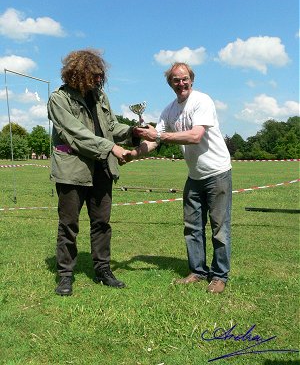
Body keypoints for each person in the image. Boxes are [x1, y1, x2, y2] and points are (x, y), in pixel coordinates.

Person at [129, 62, 232, 294]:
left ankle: (219, 275)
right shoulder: (168, 110)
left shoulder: (202, 101)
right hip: (194, 177)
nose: (181, 83)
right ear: (170, 84)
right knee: (192, 227)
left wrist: (160, 135)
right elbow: (155, 141)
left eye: (184, 79)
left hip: (217, 173)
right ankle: (197, 271)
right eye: (176, 80)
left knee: (219, 228)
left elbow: (195, 136)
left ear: (192, 80)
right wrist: (131, 154)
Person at [47, 48, 140, 296]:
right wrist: (111, 147)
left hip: (102, 169)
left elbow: (110, 126)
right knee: (69, 225)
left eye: (101, 75)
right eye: (95, 75)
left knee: (102, 223)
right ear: (78, 73)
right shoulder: (59, 99)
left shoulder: (100, 96)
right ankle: (65, 275)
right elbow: (76, 134)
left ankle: (103, 270)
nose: (100, 79)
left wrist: (134, 132)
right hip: (71, 170)